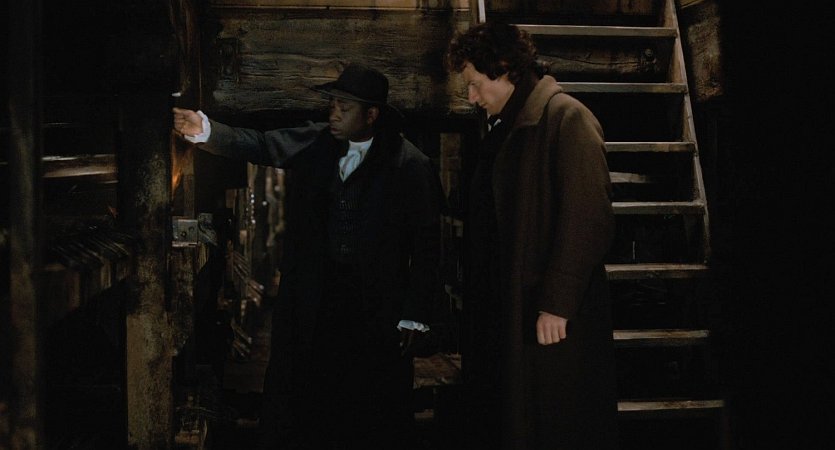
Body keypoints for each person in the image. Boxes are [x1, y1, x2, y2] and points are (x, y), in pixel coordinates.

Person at [172, 63, 441, 449]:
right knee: (311, 395)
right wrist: (208, 130)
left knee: (370, 402)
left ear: (371, 115)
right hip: (318, 297)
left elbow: (426, 245)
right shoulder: (317, 142)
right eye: (332, 105)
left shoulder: (408, 163)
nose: (334, 114)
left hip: (375, 304)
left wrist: (415, 315)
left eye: (344, 108)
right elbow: (262, 145)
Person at [445, 22, 619, 449]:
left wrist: (557, 302)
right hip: (511, 303)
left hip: (546, 311)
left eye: (475, 84)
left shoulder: (566, 118)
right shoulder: (507, 125)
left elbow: (588, 218)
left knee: (554, 419)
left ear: (505, 68)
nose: (471, 97)